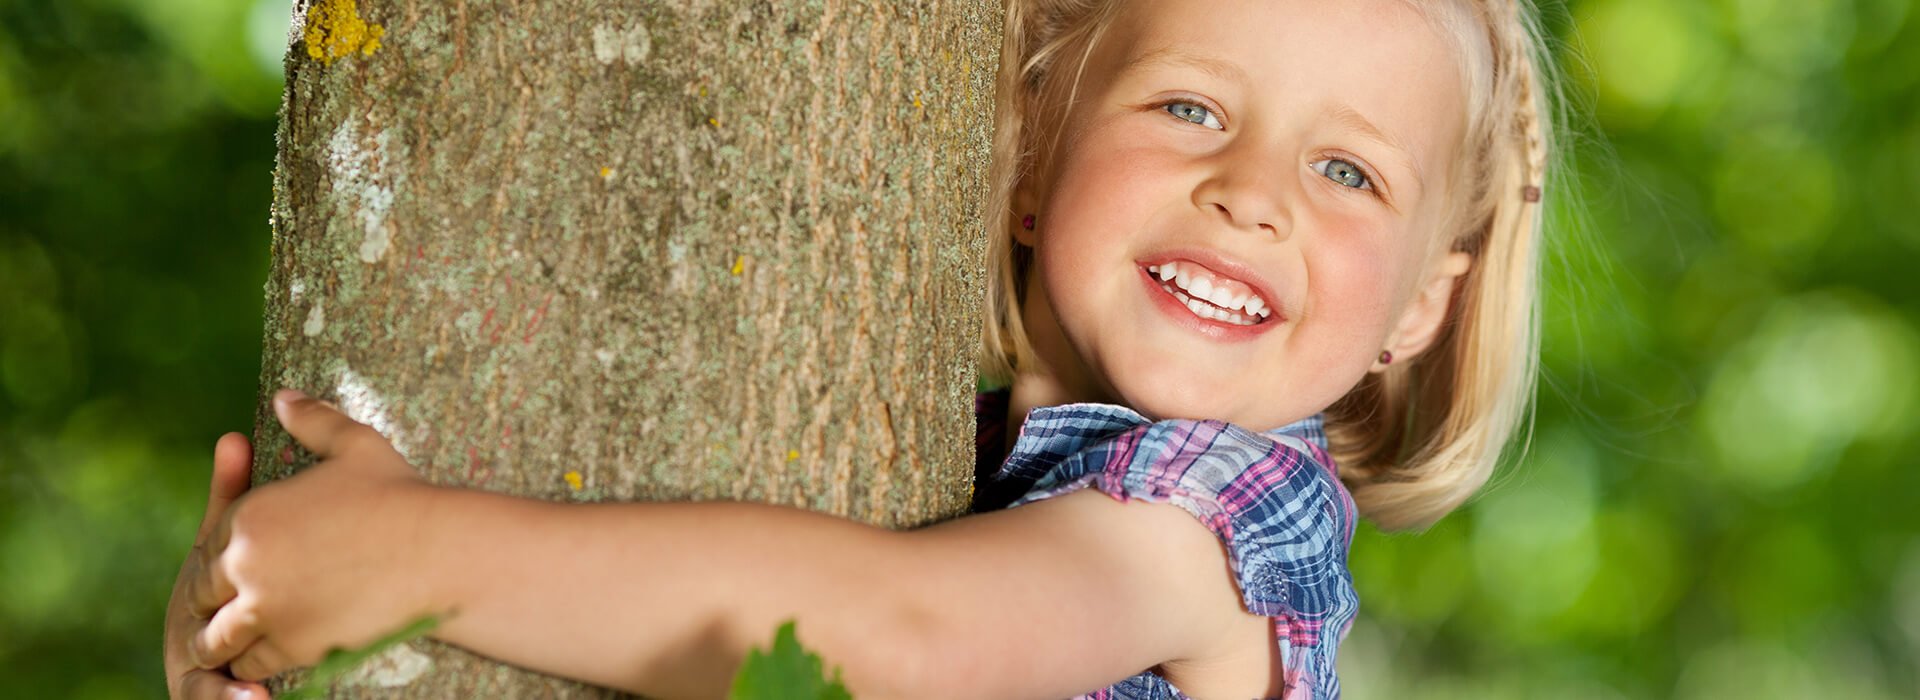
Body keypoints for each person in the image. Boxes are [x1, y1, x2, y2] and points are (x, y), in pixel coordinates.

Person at [165, 0, 1559, 697]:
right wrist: (259, 627)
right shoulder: (947, 457)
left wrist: (418, 563)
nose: (1252, 190)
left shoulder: (1231, 516)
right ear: (1031, 162)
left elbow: (896, 634)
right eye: (1191, 109)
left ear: (1419, 311)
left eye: (1350, 174)